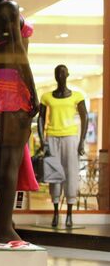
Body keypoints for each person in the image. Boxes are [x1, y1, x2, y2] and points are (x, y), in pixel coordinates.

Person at [0, 0, 40, 243]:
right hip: (14, 83)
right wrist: (33, 90)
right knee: (10, 159)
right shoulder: (10, 8)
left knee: (0, 156)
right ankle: (4, 228)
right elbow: (18, 52)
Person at [38, 65, 89, 227]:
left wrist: (81, 141)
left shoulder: (77, 96)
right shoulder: (46, 97)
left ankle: (69, 213)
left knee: (71, 173)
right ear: (55, 76)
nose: (60, 75)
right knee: (54, 175)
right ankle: (55, 212)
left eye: (63, 72)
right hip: (52, 137)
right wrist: (41, 140)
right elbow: (41, 118)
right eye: (57, 72)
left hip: (70, 138)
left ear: (68, 74)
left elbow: (85, 117)